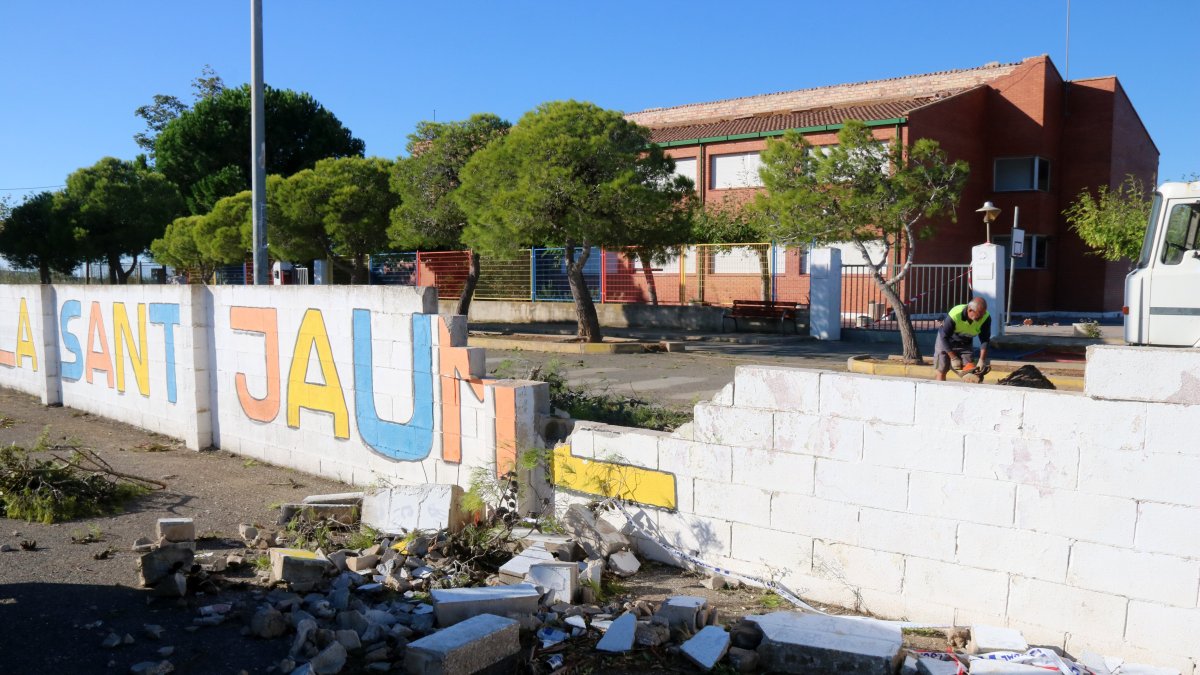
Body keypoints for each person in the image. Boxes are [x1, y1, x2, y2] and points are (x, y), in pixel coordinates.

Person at [933, 296, 991, 382]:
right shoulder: (955, 314)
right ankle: (939, 391)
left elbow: (985, 339)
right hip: (946, 341)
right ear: (970, 310)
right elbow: (944, 337)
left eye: (982, 315)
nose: (981, 319)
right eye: (978, 316)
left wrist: (982, 360)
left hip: (965, 343)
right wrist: (953, 357)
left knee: (971, 372)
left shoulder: (985, 317)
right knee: (941, 369)